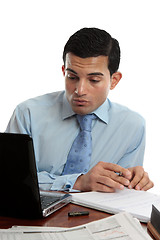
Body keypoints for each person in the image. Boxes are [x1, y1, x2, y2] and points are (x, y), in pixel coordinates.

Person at [6, 27, 154, 192]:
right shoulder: (27, 114)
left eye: (94, 80)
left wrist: (134, 182)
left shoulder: (132, 126)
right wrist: (77, 182)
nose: (80, 90)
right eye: (72, 77)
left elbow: (122, 192)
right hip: (31, 215)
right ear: (64, 72)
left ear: (114, 80)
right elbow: (9, 178)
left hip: (97, 216)